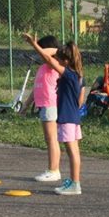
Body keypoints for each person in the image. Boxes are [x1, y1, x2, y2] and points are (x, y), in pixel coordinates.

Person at [25, 34, 84, 196]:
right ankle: (74, 181)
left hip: (67, 117)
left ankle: (75, 184)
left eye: (59, 58)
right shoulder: (75, 73)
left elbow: (49, 59)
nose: (55, 60)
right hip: (72, 117)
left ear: (65, 61)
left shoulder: (69, 74)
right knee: (74, 151)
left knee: (72, 151)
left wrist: (33, 44)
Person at [31, 36, 63, 182]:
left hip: (51, 104)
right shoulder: (43, 67)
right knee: (48, 138)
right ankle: (52, 169)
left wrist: (38, 47)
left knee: (51, 139)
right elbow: (34, 89)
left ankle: (54, 170)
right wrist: (25, 105)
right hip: (43, 105)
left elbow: (58, 51)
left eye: (42, 49)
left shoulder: (54, 63)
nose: (40, 54)